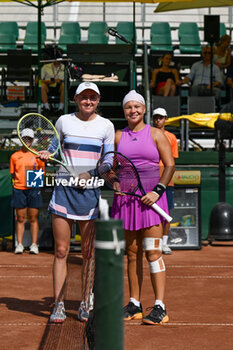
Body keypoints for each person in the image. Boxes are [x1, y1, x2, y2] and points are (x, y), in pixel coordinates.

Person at [38, 82, 115, 323]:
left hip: (90, 192)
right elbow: (52, 148)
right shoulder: (63, 121)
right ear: (76, 98)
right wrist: (45, 153)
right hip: (63, 191)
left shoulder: (106, 126)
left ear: (98, 100)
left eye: (93, 97)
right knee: (61, 251)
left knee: (88, 253)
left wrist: (91, 173)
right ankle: (59, 304)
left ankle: (84, 302)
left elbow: (109, 159)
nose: (88, 101)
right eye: (84, 97)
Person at [111, 90, 175, 325]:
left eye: (137, 106)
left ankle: (160, 307)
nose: (133, 111)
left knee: (153, 252)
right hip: (126, 200)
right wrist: (114, 181)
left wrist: (157, 192)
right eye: (129, 107)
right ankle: (134, 304)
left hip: (152, 199)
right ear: (124, 110)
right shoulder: (117, 136)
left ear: (144, 109)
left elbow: (169, 165)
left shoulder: (157, 134)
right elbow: (108, 167)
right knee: (131, 253)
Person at [10, 128, 45, 255]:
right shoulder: (14, 156)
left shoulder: (38, 155)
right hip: (19, 189)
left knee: (33, 218)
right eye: (24, 138)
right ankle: (19, 244)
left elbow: (41, 173)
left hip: (34, 188)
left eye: (29, 138)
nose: (27, 141)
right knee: (20, 218)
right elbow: (13, 175)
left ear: (33, 140)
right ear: (21, 139)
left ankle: (34, 245)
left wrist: (33, 184)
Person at [152, 107, 179, 255]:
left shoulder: (172, 138)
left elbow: (171, 161)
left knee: (166, 213)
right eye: (156, 117)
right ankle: (152, 242)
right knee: (150, 212)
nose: (158, 120)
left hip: (166, 181)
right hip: (150, 179)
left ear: (165, 119)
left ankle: (164, 243)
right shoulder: (148, 135)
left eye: (161, 117)